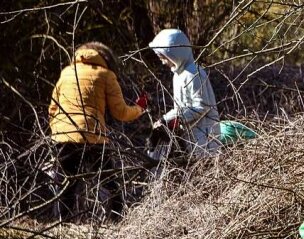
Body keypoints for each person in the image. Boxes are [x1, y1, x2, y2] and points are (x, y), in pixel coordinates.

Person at [48, 41, 146, 219]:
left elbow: (52, 109)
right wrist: (139, 109)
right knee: (109, 183)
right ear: (105, 57)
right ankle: (117, 221)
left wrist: (59, 131)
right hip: (93, 135)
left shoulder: (67, 72)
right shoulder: (106, 75)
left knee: (66, 185)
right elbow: (121, 112)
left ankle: (61, 227)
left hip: (63, 136)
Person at [148, 29, 220, 157]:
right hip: (190, 137)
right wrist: (164, 119)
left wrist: (178, 119)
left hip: (205, 137)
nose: (163, 62)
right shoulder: (178, 75)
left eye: (164, 57)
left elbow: (202, 106)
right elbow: (179, 108)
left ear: (175, 53)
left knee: (204, 170)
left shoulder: (194, 73)